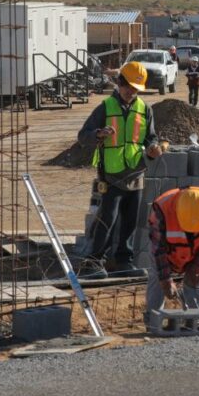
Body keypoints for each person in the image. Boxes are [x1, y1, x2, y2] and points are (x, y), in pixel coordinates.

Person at [77, 61, 164, 278]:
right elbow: (82, 136)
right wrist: (98, 134)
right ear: (119, 83)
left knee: (130, 221)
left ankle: (125, 261)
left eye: (135, 89)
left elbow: (150, 137)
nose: (131, 93)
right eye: (128, 88)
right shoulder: (105, 108)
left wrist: (154, 147)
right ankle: (94, 261)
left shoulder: (145, 109)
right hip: (111, 176)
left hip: (135, 174)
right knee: (108, 219)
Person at [145, 186, 199, 323]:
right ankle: (153, 322)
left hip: (196, 250)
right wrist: (165, 280)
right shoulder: (162, 208)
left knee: (196, 279)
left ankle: (195, 320)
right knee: (157, 279)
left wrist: (197, 265)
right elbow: (158, 249)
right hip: (167, 251)